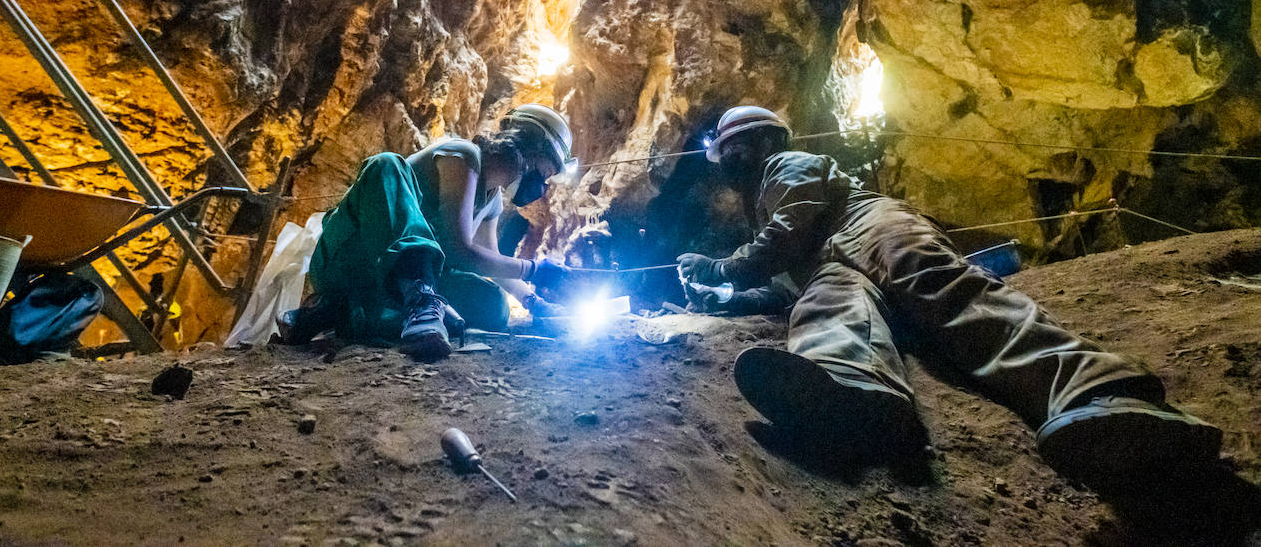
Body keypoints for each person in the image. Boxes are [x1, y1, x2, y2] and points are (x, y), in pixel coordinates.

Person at [677, 105, 1223, 486]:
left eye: (735, 147)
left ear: (765, 142)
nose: (731, 159)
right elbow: (782, 285)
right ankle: (852, 391)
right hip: (829, 264)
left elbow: (789, 230)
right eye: (728, 151)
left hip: (871, 227)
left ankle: (1101, 391)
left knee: (946, 289)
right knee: (827, 309)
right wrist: (725, 298)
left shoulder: (785, 167)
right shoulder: (762, 201)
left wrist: (722, 268)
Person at [277, 104, 585, 359]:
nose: (543, 185)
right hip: (350, 255)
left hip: (389, 284)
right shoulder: (463, 156)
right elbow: (458, 249)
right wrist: (534, 269)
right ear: (531, 146)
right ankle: (414, 306)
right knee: (386, 165)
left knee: (492, 307)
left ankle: (338, 312)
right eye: (546, 172)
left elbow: (489, 260)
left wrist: (535, 302)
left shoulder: (492, 200)